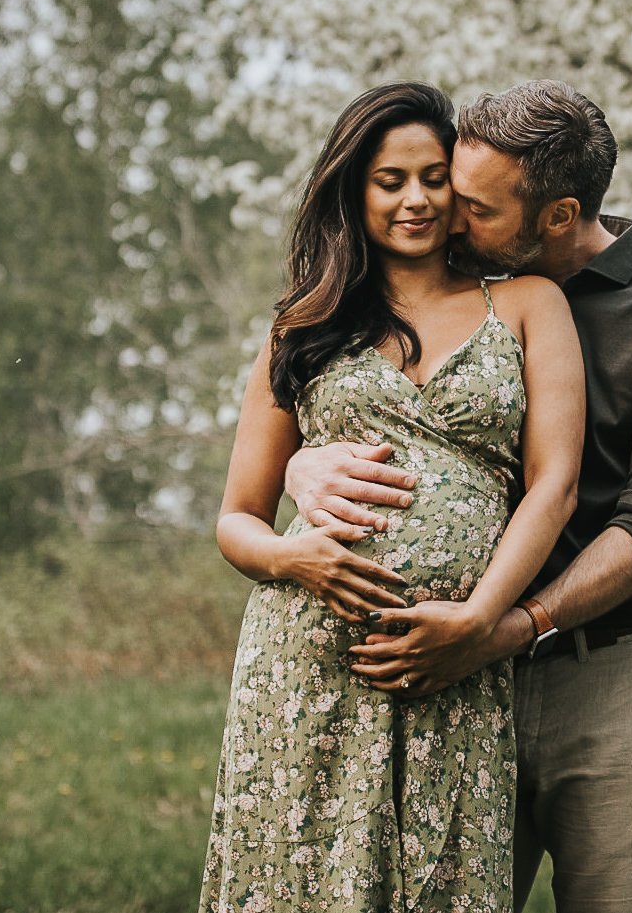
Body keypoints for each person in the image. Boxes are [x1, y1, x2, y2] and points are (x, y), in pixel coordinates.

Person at [288, 80, 632, 913]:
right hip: (452, 684)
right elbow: (346, 393)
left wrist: (506, 627)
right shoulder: (449, 282)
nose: (450, 219)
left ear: (559, 215)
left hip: (609, 675)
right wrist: (301, 467)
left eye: (476, 208)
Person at [200, 82, 586, 913]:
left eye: (433, 176)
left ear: (460, 193)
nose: (414, 198)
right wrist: (291, 556)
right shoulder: (302, 325)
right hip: (304, 668)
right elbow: (236, 518)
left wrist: (481, 619)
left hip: (448, 668)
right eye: (388, 179)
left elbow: (553, 484)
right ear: (355, 190)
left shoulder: (524, 304)